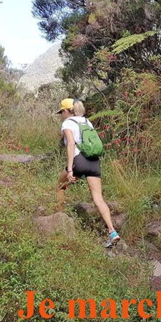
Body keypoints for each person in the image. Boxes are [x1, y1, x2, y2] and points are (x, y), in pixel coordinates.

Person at [56, 98, 121, 248]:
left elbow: (71, 144)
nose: (61, 115)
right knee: (98, 198)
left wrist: (70, 169)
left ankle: (59, 218)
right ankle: (112, 232)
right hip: (93, 161)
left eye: (62, 112)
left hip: (79, 161)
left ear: (67, 111)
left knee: (60, 186)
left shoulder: (67, 123)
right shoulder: (87, 121)